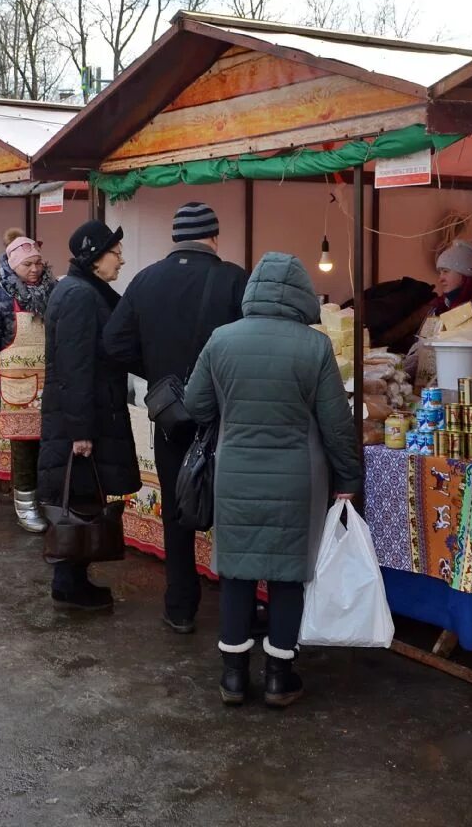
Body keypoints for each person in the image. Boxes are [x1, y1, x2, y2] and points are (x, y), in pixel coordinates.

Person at [183, 252, 361, 708]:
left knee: (238, 575)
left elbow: (196, 405)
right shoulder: (315, 347)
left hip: (235, 474)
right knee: (287, 578)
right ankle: (280, 676)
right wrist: (348, 477)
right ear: (302, 296)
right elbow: (336, 423)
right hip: (296, 481)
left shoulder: (221, 340)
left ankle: (234, 678)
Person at [103, 202, 248, 634]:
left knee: (177, 508)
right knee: (231, 507)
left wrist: (160, 374)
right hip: (226, 417)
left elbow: (114, 344)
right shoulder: (234, 279)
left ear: (175, 237)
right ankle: (236, 609)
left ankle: (181, 606)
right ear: (214, 236)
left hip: (170, 416)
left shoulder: (145, 280)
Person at [38, 220, 139, 611]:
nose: (122, 260)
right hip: (80, 419)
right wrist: (80, 430)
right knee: (77, 501)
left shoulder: (80, 290)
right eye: (116, 253)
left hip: (83, 415)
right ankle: (69, 584)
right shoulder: (80, 295)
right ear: (95, 257)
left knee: (82, 498)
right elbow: (75, 367)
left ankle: (73, 581)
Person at [0, 228, 57, 533]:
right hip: (15, 388)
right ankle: (26, 505)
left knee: (51, 446)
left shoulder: (54, 292)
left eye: (38, 263)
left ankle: (49, 501)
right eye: (27, 265)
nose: (34, 269)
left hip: (50, 384)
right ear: (12, 266)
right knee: (24, 448)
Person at [431, 238, 472, 315]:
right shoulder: (442, 306)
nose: (440, 279)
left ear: (465, 274)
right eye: (440, 272)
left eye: (445, 271)